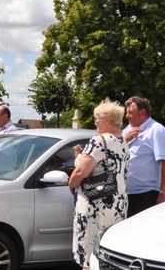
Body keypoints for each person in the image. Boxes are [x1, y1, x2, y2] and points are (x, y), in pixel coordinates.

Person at [69, 99, 130, 270]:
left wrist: (71, 185)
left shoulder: (98, 140)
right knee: (107, 253)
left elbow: (81, 172)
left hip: (95, 203)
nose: (95, 121)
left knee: (89, 252)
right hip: (118, 202)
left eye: (97, 118)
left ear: (107, 120)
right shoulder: (123, 142)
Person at [122, 96, 165, 217]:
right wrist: (125, 139)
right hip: (126, 194)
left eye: (130, 112)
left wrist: (163, 193)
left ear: (143, 112)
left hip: (145, 195)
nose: (127, 116)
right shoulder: (127, 130)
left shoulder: (156, 130)